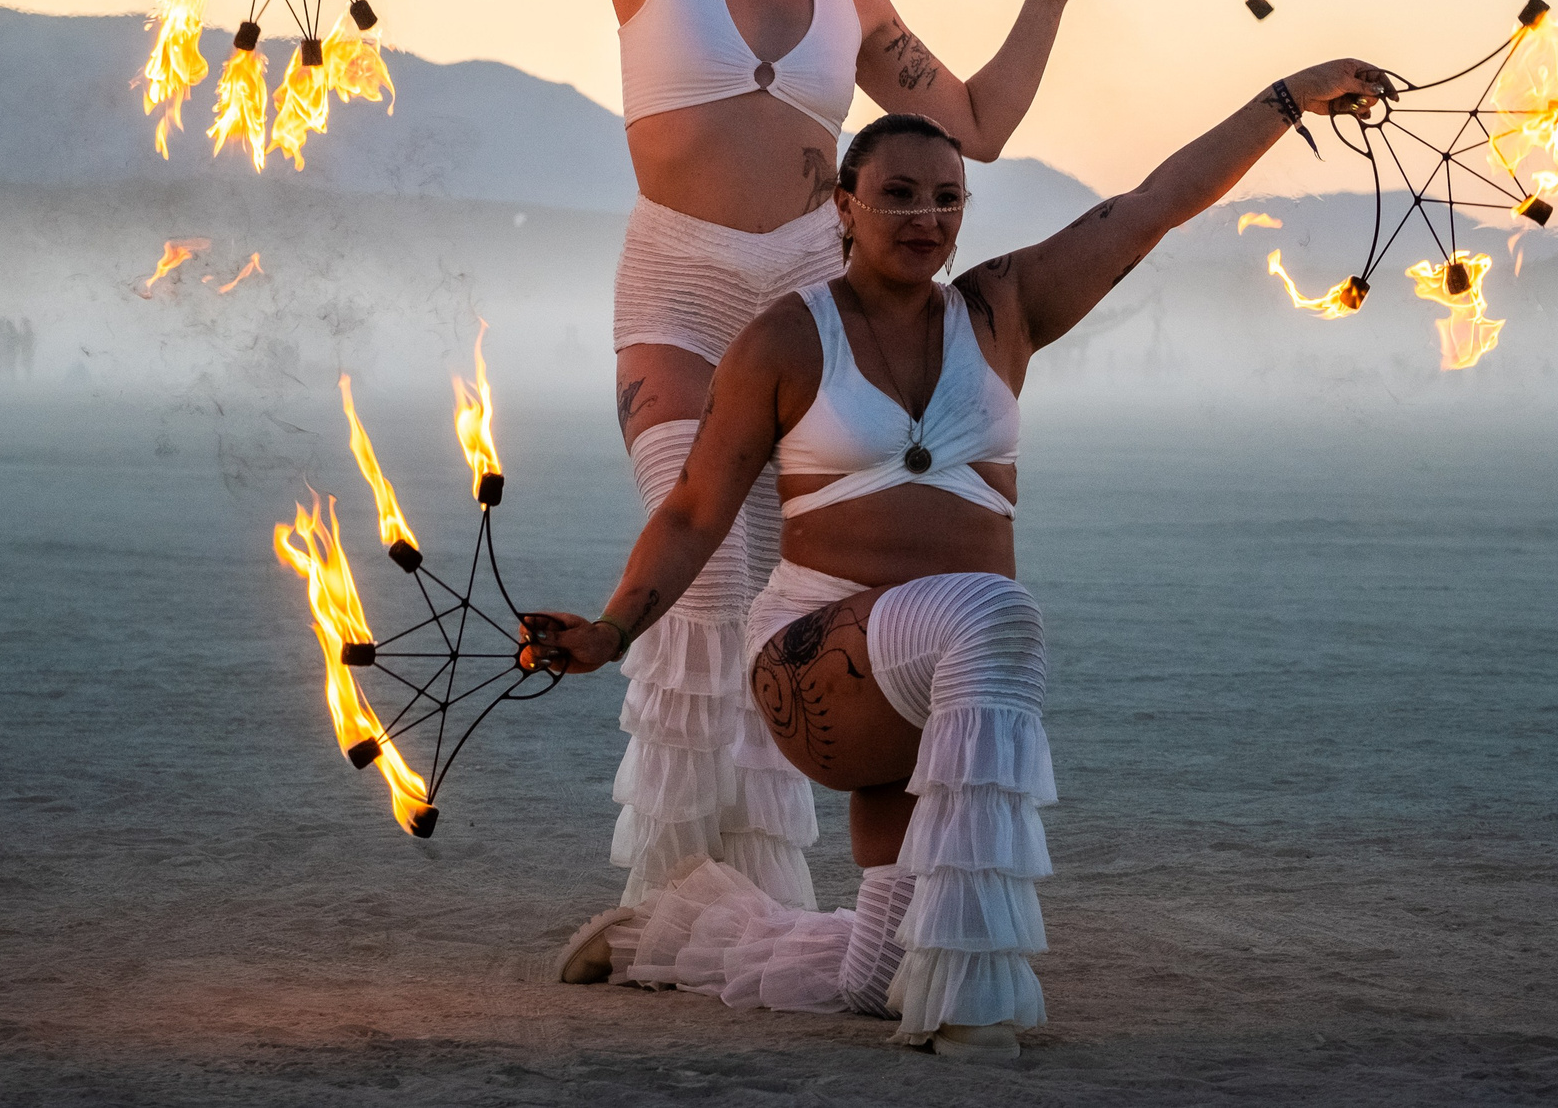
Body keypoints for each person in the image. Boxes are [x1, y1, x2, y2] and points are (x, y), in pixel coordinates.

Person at [255, 0, 1111, 915]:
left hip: (806, 296)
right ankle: (666, 899)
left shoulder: (851, 0)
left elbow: (980, 124)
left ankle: (754, 890)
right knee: (701, 578)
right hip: (678, 284)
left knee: (770, 598)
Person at [525, 58, 1392, 1059]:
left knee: (878, 970)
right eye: (897, 194)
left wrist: (1288, 97)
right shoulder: (787, 338)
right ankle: (970, 1005)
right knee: (997, 610)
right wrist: (612, 629)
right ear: (842, 205)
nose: (925, 217)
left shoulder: (1001, 312)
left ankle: (673, 933)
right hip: (818, 660)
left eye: (947, 199)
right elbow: (691, 510)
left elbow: (1153, 204)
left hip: (942, 679)